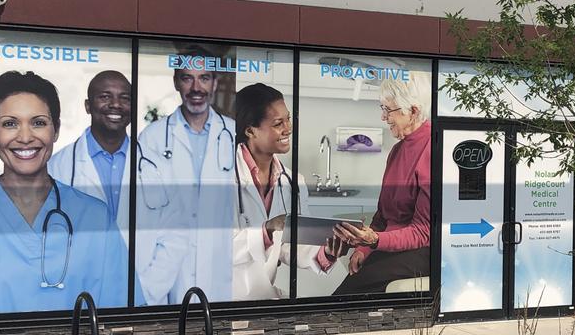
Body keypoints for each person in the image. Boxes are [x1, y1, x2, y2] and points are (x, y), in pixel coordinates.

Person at [0, 71, 130, 315]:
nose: (25, 137)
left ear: (55, 130)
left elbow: (121, 316)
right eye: (10, 124)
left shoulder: (95, 217)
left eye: (38, 123)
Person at [135, 45, 236, 305]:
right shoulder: (152, 138)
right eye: (187, 78)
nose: (196, 88)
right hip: (170, 268)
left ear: (215, 83)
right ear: (176, 82)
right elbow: (146, 213)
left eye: (204, 78)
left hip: (222, 264)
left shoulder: (234, 135)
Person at [231, 83, 345, 299]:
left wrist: (327, 251)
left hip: (260, 296)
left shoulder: (293, 182)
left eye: (288, 119)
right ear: (250, 130)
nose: (288, 128)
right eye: (278, 123)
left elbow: (292, 244)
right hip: (217, 298)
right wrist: (267, 230)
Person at [332, 74, 431, 294]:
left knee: (345, 295)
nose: (383, 117)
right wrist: (364, 249)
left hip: (421, 251)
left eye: (388, 110)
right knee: (347, 291)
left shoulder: (433, 149)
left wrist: (375, 240)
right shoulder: (397, 151)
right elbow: (382, 217)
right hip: (391, 247)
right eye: (382, 108)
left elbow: (423, 232)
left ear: (413, 111)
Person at [48, 70, 133, 237]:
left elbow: (172, 230)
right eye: (105, 97)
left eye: (125, 98)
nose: (116, 104)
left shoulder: (154, 164)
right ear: (88, 106)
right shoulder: (55, 167)